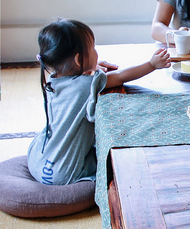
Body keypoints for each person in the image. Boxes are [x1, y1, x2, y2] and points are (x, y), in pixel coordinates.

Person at [28, 19, 171, 186]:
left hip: (38, 160)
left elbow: (79, 83)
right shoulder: (85, 85)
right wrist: (152, 64)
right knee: (120, 162)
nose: (96, 52)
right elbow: (120, 77)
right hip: (63, 173)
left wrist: (91, 70)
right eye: (93, 48)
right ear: (78, 60)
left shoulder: (52, 81)